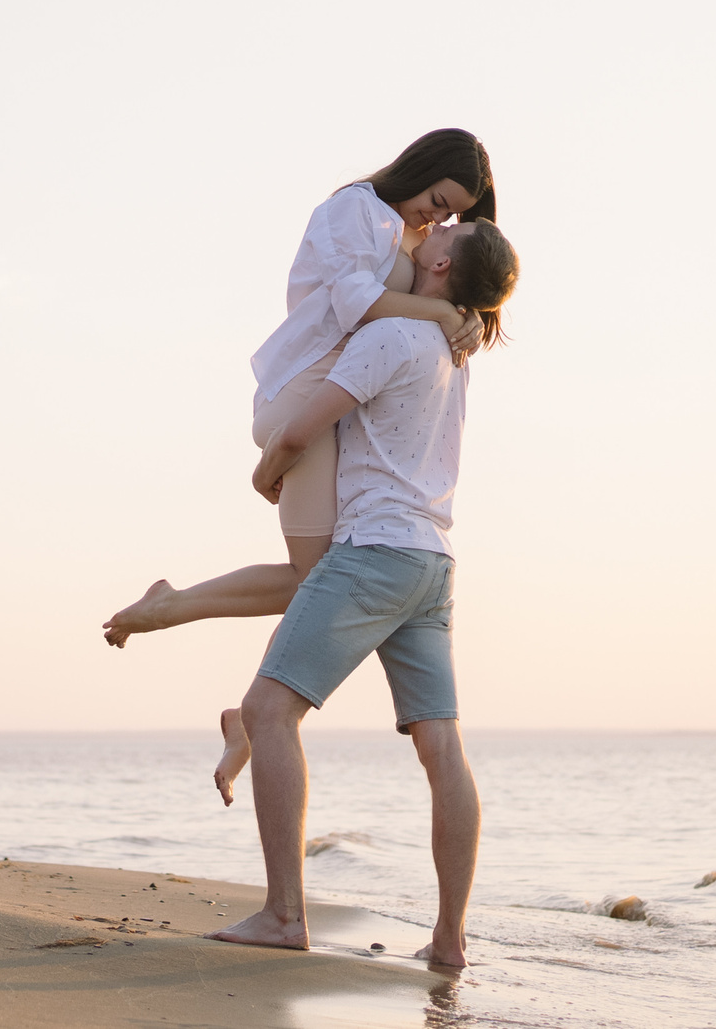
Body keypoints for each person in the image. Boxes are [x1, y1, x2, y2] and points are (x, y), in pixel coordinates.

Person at [100, 130, 497, 795]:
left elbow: (432, 305)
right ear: (419, 170)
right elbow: (356, 306)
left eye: (448, 215)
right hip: (304, 398)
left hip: (341, 402)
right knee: (323, 578)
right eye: (435, 200)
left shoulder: (411, 237)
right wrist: (439, 308)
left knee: (326, 578)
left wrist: (473, 320)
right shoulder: (355, 209)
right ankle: (213, 668)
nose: (436, 219)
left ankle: (233, 699)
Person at [209, 218, 519, 971]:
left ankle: (285, 914)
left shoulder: (393, 337)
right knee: (442, 746)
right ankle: (449, 940)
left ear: (443, 261)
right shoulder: (454, 351)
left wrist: (264, 474)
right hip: (432, 562)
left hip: (373, 549)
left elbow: (301, 428)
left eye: (449, 225)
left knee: (267, 712)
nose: (430, 227)